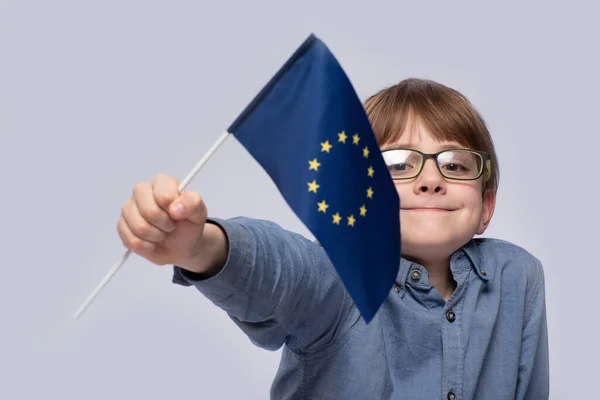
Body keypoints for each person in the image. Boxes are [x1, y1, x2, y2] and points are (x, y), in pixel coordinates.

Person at [117, 78, 549, 399]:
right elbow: (281, 269)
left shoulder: (518, 276)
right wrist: (200, 246)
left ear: (486, 205)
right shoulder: (339, 279)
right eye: (398, 164)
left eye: (454, 165)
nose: (431, 180)